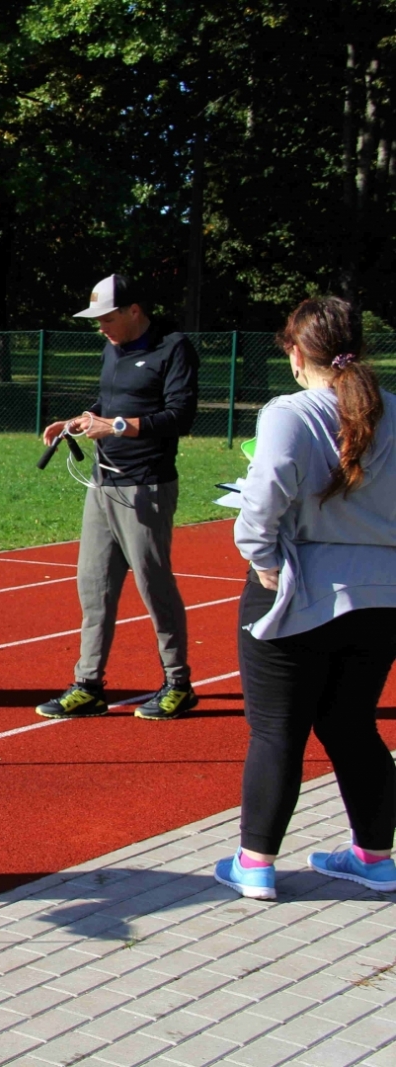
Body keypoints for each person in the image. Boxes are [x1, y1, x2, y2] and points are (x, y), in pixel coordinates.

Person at [214, 296, 396, 901]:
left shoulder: (289, 413)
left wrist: (262, 558)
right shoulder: (392, 411)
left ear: (296, 351)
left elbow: (262, 504)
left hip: (298, 588)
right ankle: (373, 855)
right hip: (380, 594)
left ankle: (256, 863)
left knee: (276, 730)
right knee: (353, 723)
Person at [38, 274, 199, 721]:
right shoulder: (112, 348)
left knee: (154, 585)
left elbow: (180, 415)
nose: (101, 328)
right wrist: (79, 421)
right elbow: (111, 403)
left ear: (134, 311)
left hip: (145, 484)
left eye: (107, 318)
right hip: (102, 484)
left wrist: (119, 426)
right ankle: (88, 684)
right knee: (93, 587)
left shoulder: (174, 347)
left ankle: (177, 683)